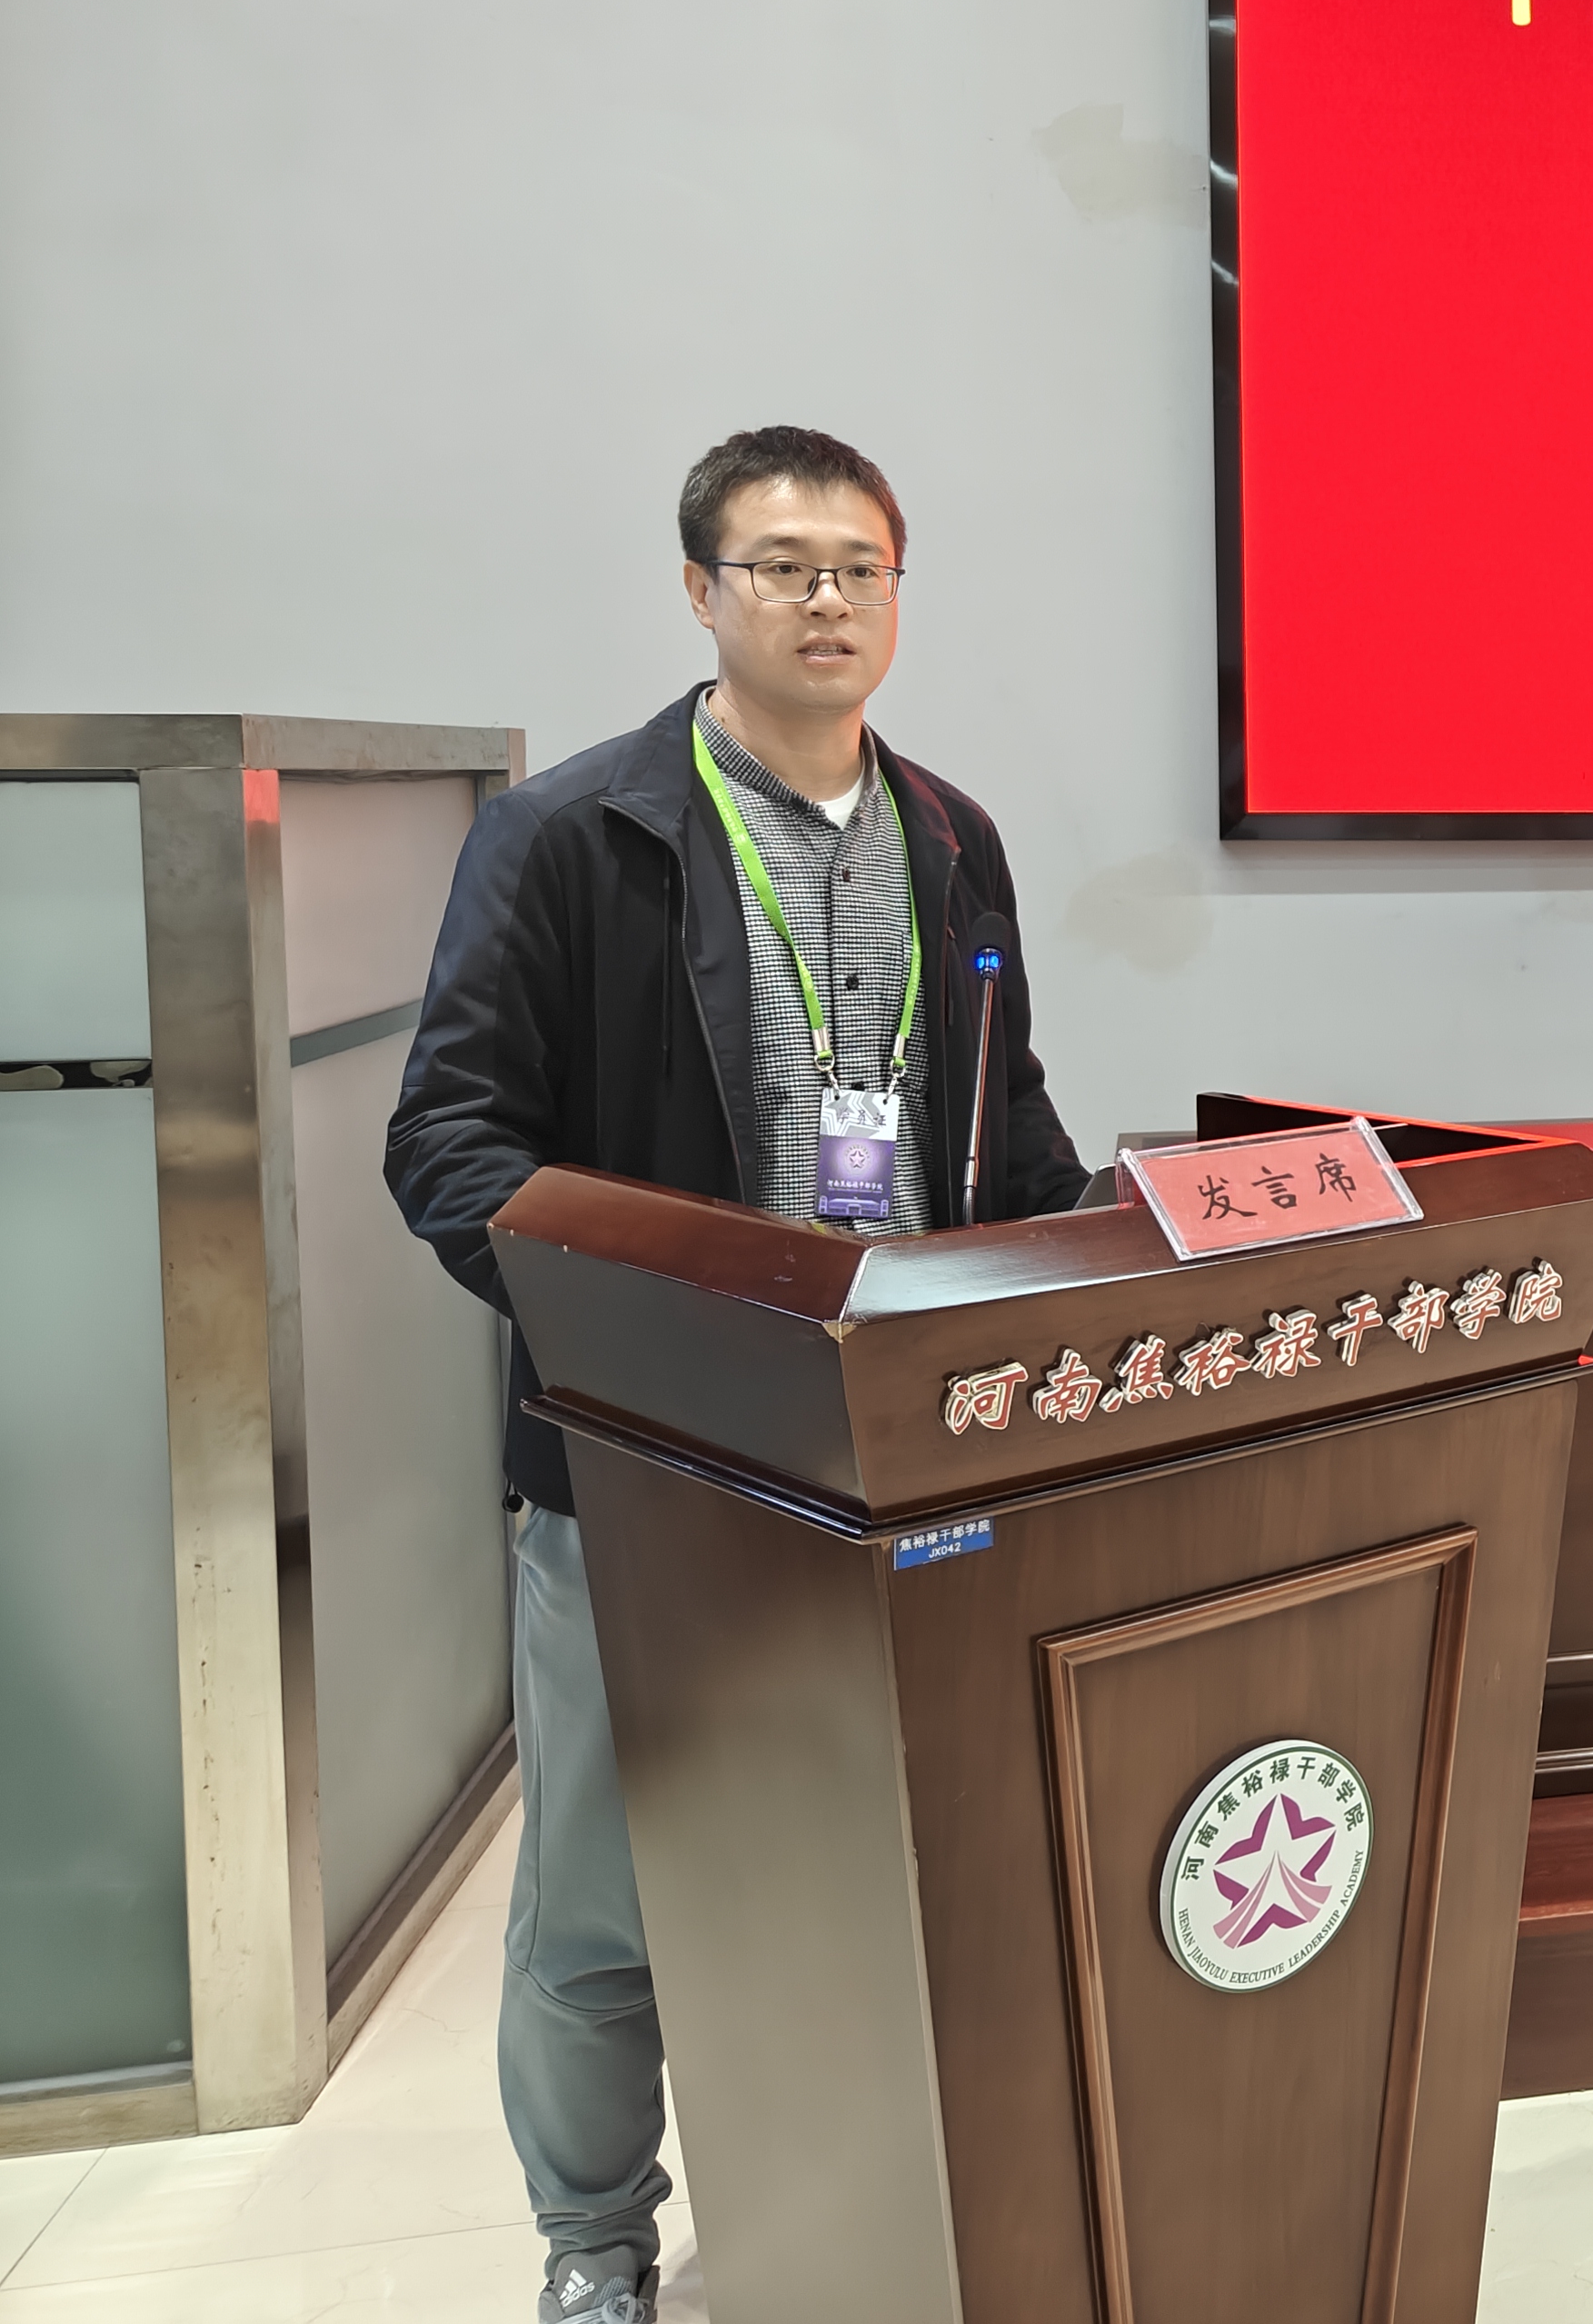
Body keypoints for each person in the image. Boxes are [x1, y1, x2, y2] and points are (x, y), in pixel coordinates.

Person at [387, 425, 1090, 2324]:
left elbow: (1005, 1135)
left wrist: (1097, 1259)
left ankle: (857, 2229)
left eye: (860, 568)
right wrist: (640, 1349)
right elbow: (449, 1142)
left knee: (888, 1873)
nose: (825, 601)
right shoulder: (573, 838)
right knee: (606, 1907)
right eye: (782, 567)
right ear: (700, 591)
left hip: (904, 1465)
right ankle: (595, 2252)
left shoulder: (953, 838)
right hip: (652, 1466)